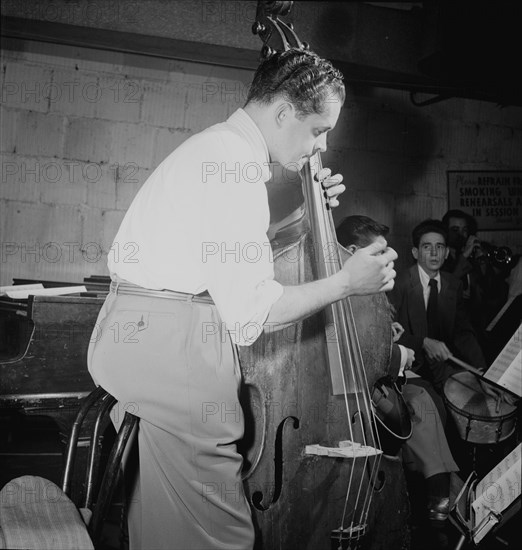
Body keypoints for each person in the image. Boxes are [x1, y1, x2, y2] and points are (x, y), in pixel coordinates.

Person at [87, 49, 397, 550]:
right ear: (282, 113)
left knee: (166, 523)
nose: (323, 145)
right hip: (173, 347)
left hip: (145, 332)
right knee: (221, 534)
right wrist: (346, 281)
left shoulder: (220, 150)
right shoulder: (232, 164)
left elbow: (221, 254)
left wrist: (304, 208)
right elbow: (254, 315)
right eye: (318, 130)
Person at [337, 216, 459, 545]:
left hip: (378, 377)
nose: (386, 259)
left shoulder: (365, 287)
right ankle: (439, 491)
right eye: (377, 252)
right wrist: (399, 354)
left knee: (425, 400)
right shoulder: (339, 288)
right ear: (351, 252)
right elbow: (356, 356)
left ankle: (440, 490)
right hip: (355, 389)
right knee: (417, 404)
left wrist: (386, 336)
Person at [389, 219, 487, 393]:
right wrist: (423, 342)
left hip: (443, 369)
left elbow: (462, 332)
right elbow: (388, 334)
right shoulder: (398, 283)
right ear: (415, 252)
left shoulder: (453, 284)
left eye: (440, 247)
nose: (434, 253)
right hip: (409, 370)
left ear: (447, 252)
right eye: (427, 247)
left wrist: (481, 369)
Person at [441, 209, 509, 345]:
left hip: (477, 330)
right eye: (455, 230)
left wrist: (483, 265)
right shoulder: (440, 257)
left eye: (465, 229)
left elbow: (491, 293)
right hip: (450, 331)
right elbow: (447, 284)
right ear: (445, 232)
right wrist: (465, 255)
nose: (462, 234)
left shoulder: (472, 256)